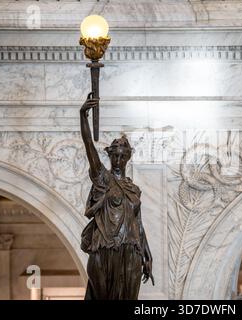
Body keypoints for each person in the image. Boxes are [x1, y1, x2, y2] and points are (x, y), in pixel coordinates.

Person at [80, 93, 154, 300]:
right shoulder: (103, 179)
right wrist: (82, 116)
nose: (119, 159)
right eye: (115, 155)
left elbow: (137, 223)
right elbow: (89, 148)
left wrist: (147, 255)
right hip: (105, 247)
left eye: (123, 156)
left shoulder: (134, 190)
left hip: (131, 249)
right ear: (110, 156)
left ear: (128, 158)